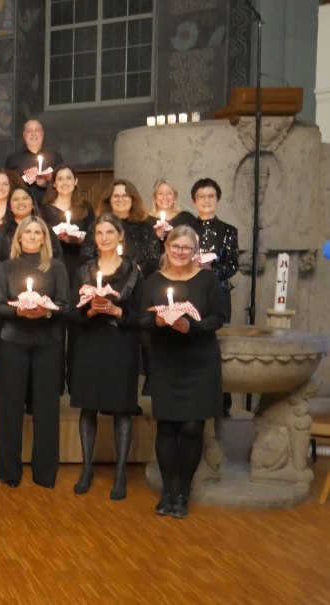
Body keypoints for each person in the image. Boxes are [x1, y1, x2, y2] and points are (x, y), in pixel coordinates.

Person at [139, 225, 228, 518]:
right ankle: (168, 492)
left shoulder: (207, 280)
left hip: (199, 360)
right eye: (175, 246)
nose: (180, 252)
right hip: (166, 360)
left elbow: (219, 317)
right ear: (167, 248)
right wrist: (159, 322)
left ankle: (183, 493)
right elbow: (142, 319)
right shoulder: (153, 281)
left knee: (192, 427)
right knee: (166, 427)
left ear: (194, 251)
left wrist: (192, 326)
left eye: (186, 248)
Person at [0, 216, 70, 489]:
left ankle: (45, 473)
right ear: (20, 237)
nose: (33, 236)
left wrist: (45, 312)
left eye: (38, 232)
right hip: (12, 341)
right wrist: (19, 312)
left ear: (45, 238)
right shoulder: (7, 267)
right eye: (28, 232)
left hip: (47, 343)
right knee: (10, 407)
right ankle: (9, 471)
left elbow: (64, 305)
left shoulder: (56, 268)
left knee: (47, 408)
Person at [69, 214, 143, 500]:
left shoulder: (133, 271)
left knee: (121, 409)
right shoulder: (83, 270)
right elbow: (73, 314)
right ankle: (86, 469)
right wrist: (90, 311)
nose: (104, 238)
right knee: (88, 407)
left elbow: (140, 315)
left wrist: (116, 311)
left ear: (120, 235)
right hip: (90, 342)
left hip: (121, 343)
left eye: (110, 232)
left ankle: (120, 473)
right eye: (99, 233)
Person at [189, 177, 238, 415]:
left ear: (217, 199)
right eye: (202, 196)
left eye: (211, 196)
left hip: (218, 294)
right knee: (192, 343)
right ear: (194, 201)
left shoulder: (228, 230)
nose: (206, 200)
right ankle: (195, 396)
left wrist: (210, 269)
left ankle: (221, 400)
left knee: (219, 346)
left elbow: (232, 265)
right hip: (192, 293)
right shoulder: (187, 230)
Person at [81, 179, 158, 277]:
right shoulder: (97, 226)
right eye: (116, 196)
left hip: (136, 280)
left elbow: (153, 259)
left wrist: (135, 272)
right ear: (109, 200)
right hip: (104, 278)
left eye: (125, 195)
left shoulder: (145, 227)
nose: (120, 199)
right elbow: (86, 256)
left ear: (132, 199)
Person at [0, 184, 59, 279]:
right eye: (16, 199)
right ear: (10, 207)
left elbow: (58, 259)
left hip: (43, 282)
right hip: (7, 283)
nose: (21, 202)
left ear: (33, 204)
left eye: (25, 198)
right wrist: (10, 268)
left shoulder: (46, 229)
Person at [39, 164, 93, 281]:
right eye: (60, 179)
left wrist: (81, 240)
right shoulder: (43, 209)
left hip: (80, 263)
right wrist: (56, 237)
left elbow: (93, 236)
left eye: (68, 178)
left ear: (75, 181)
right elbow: (39, 237)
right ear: (54, 184)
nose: (64, 183)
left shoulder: (86, 208)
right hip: (52, 263)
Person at [4, 119, 64, 204]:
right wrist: (25, 179)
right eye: (29, 131)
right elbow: (8, 186)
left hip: (50, 205)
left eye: (37, 130)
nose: (33, 134)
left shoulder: (55, 158)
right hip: (22, 206)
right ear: (24, 135)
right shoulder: (13, 160)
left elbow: (62, 182)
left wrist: (46, 183)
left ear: (42, 133)